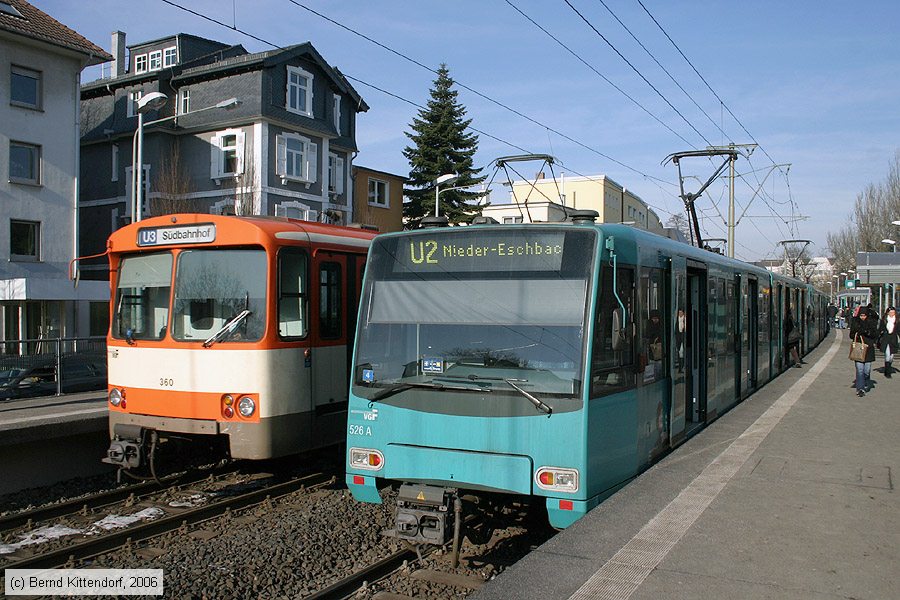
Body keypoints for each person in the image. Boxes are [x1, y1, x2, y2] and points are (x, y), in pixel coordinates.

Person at [849, 307, 879, 396]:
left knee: (867, 370)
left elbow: (875, 335)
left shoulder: (872, 323)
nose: (862, 317)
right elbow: (851, 335)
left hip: (868, 349)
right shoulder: (855, 322)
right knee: (860, 370)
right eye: (861, 315)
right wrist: (857, 333)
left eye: (864, 315)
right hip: (858, 349)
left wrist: (866, 332)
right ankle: (860, 388)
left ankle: (865, 382)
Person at [878, 306, 898, 378]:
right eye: (890, 312)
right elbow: (880, 329)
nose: (892, 314)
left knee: (891, 356)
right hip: (886, 338)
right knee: (887, 355)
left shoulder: (897, 320)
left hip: (893, 339)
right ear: (887, 313)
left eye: (893, 312)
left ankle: (889, 366)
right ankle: (887, 372)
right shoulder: (884, 320)